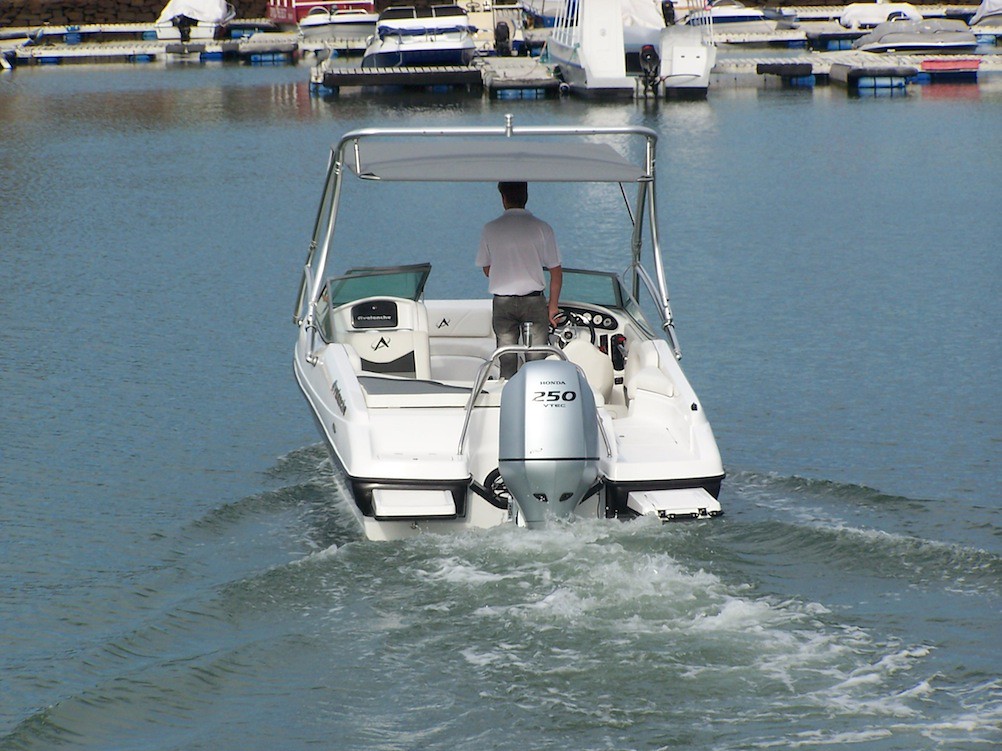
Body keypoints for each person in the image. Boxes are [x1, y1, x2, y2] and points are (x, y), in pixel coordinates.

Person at [476, 181, 563, 379]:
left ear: (503, 199)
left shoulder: (490, 229)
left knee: (507, 362)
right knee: (537, 362)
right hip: (534, 302)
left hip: (503, 303)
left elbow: (487, 270)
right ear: (526, 197)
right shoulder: (543, 228)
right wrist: (553, 307)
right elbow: (556, 272)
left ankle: (508, 396)